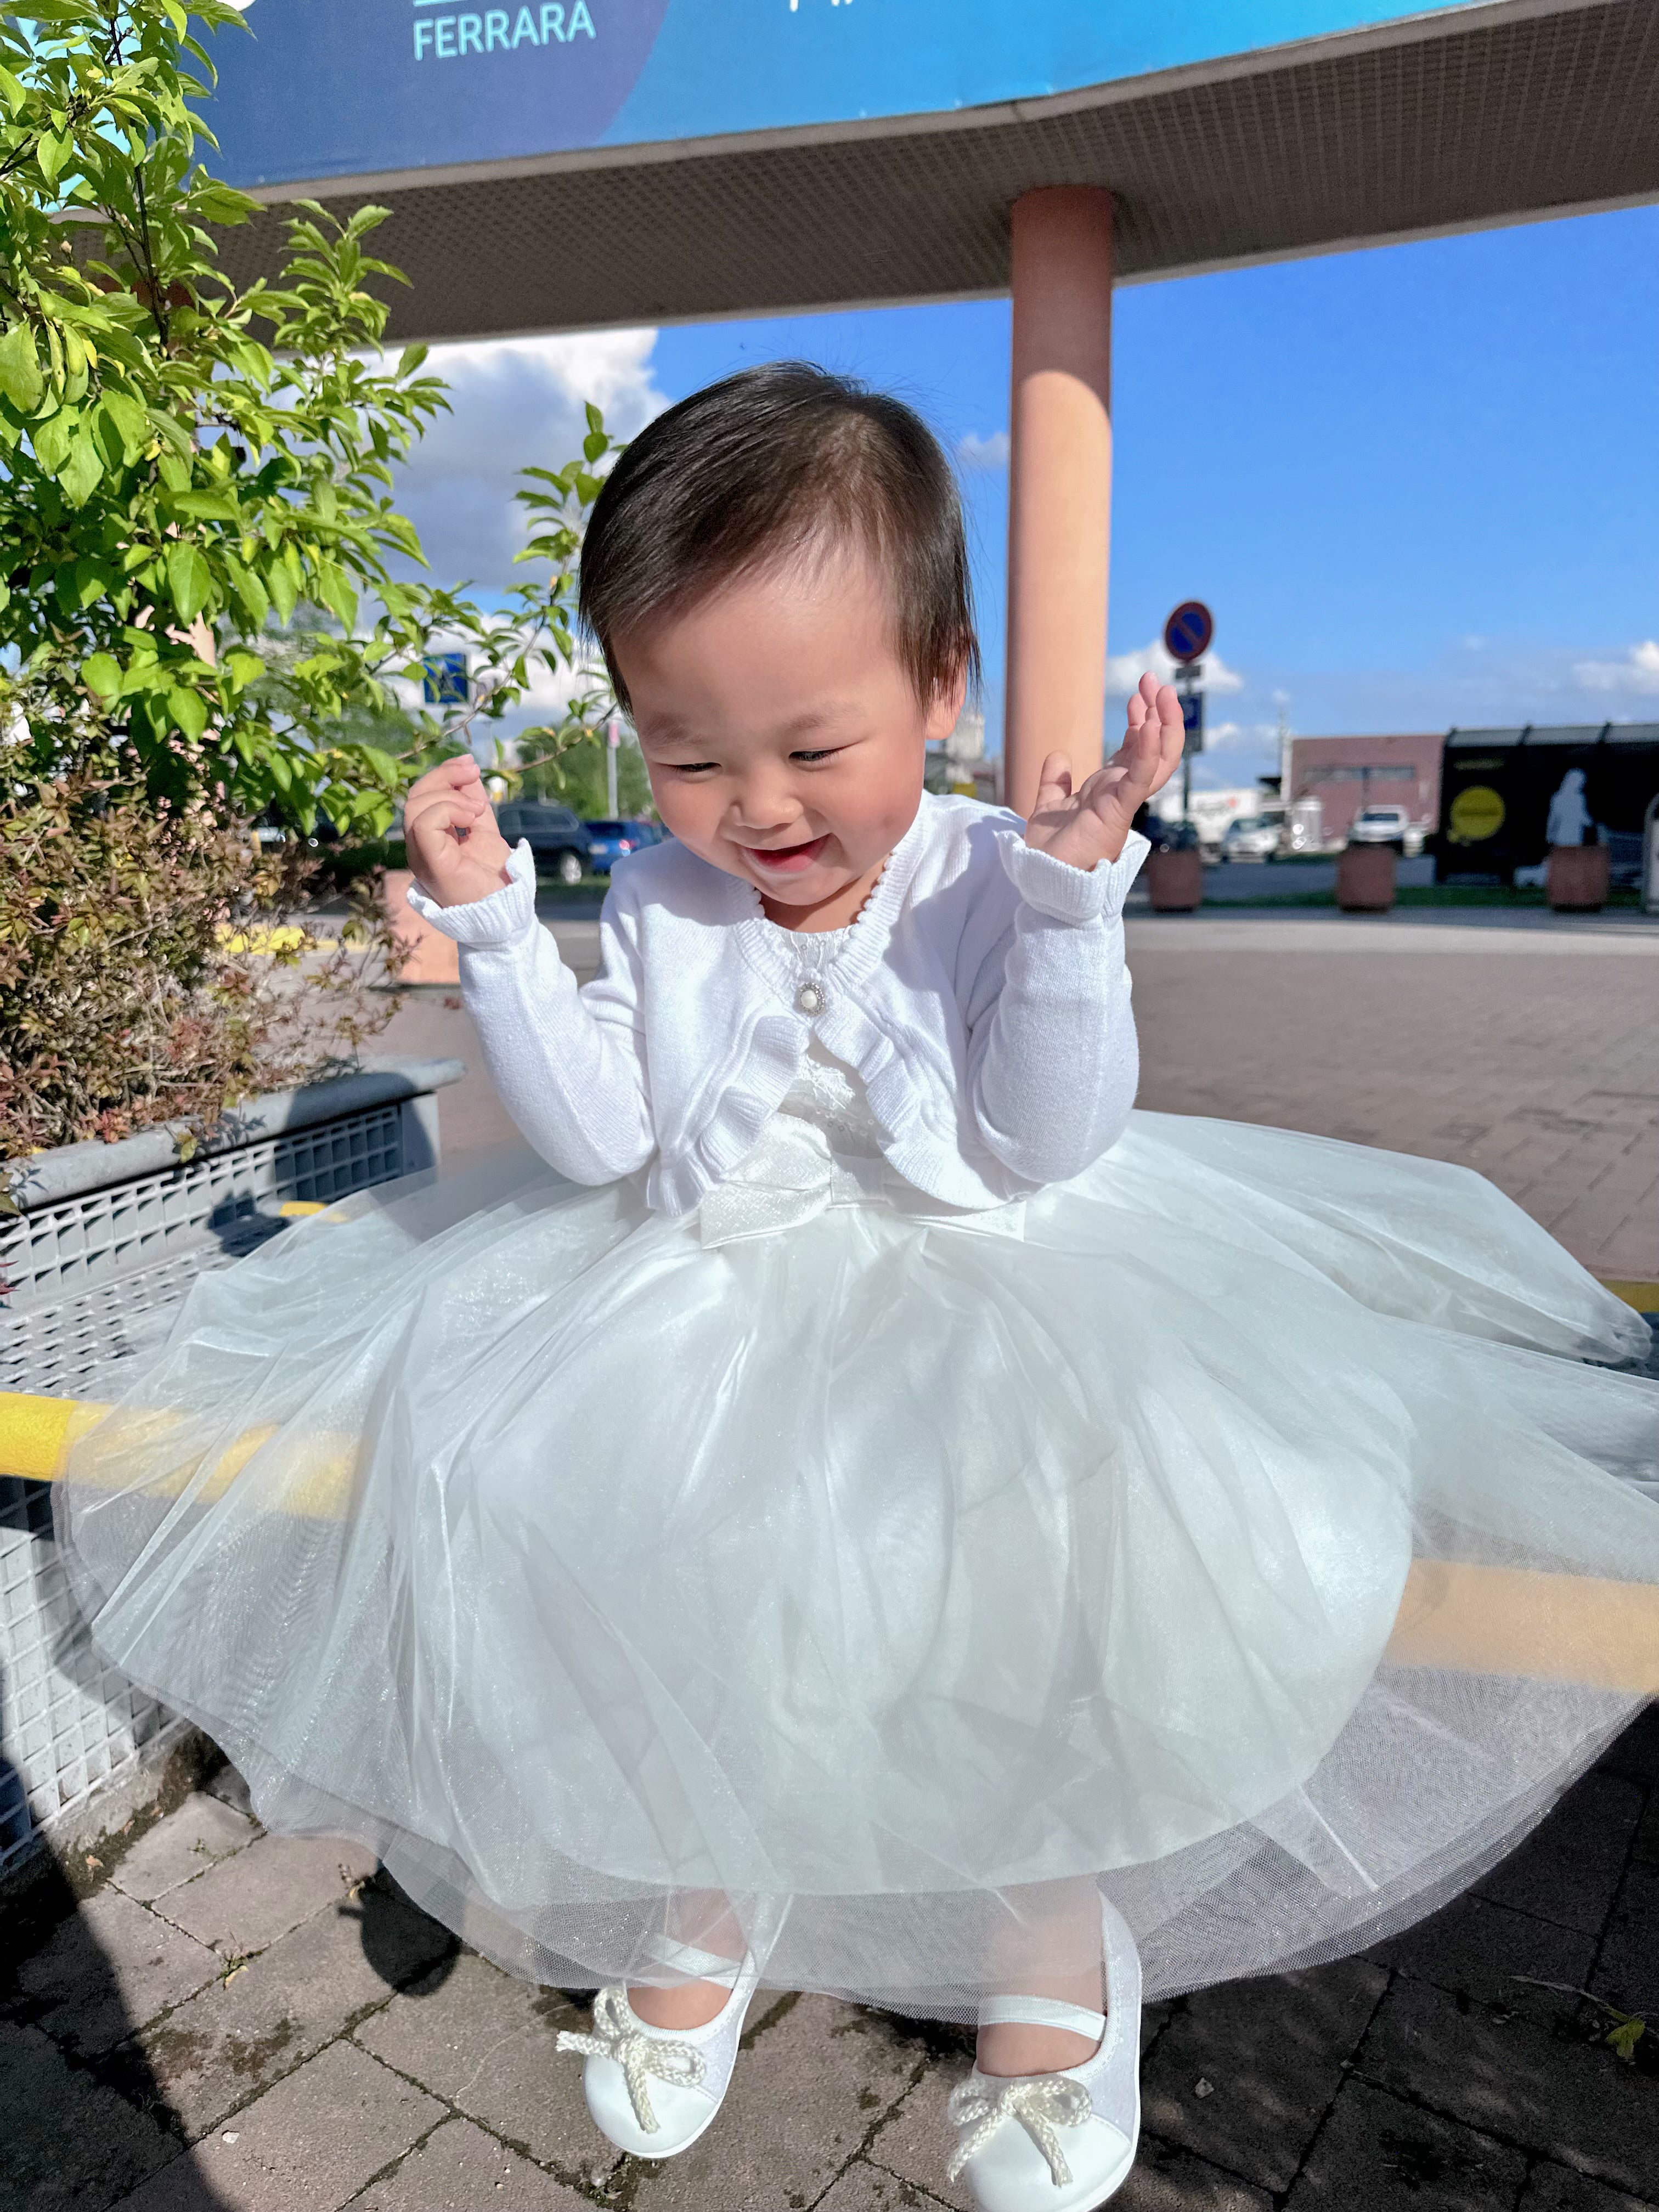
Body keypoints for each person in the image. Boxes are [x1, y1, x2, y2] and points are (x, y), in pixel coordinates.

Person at [58, 366, 1657, 2212]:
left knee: (1051, 1575)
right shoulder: (656, 898)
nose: (756, 807)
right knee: (632, 1544)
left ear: (942, 685)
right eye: (689, 757)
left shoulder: (992, 868)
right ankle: (710, 1876)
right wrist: (496, 936)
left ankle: (1052, 1926)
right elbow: (603, 1142)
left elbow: (1044, 1144)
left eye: (815, 748)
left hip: (1001, 1278)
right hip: (704, 1279)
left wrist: (1071, 910)